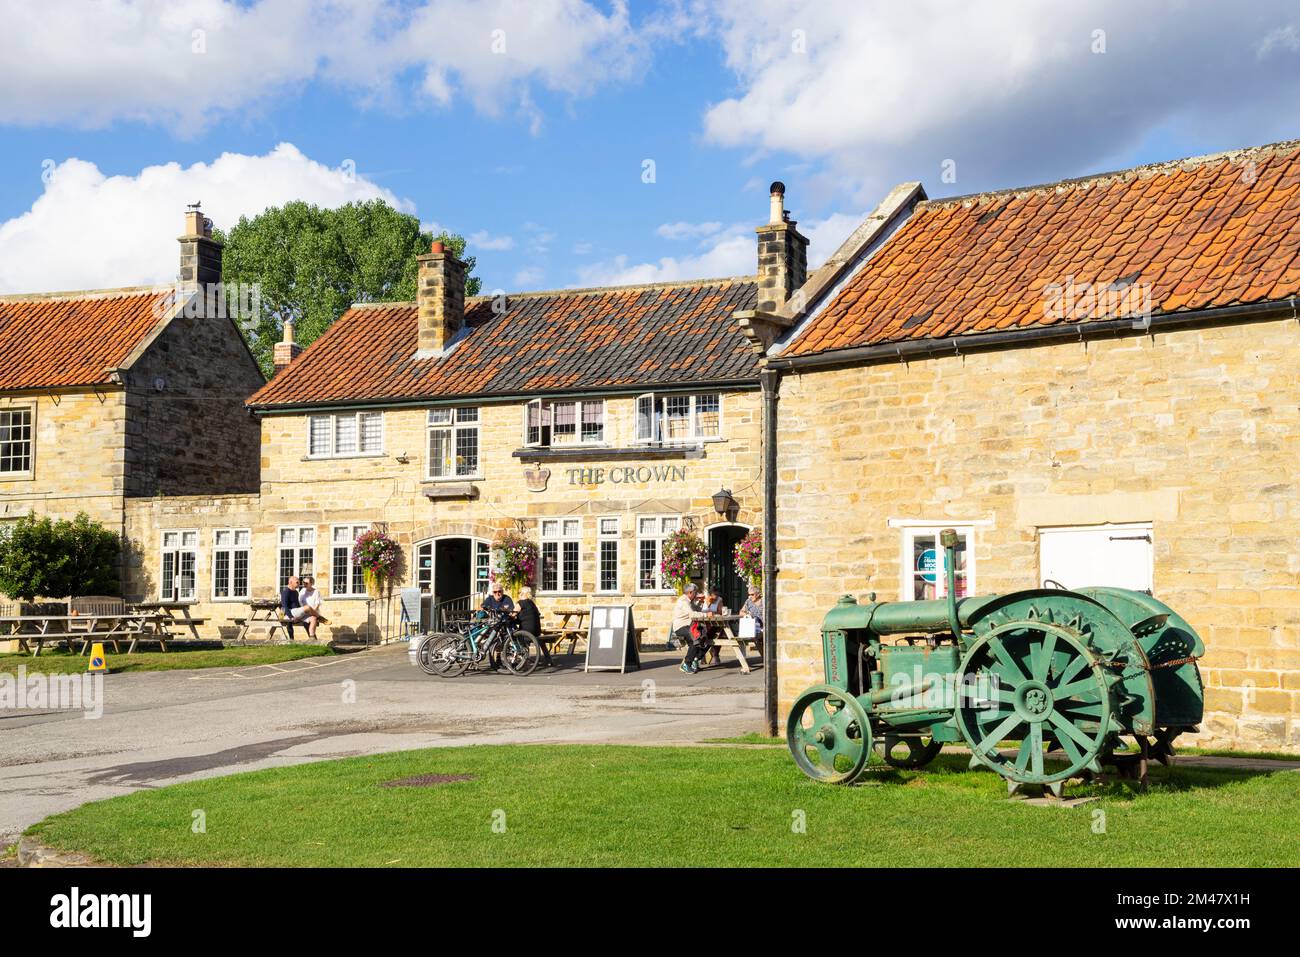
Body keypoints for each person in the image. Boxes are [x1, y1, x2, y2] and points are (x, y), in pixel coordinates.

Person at [673, 583, 708, 674]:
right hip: (681, 626)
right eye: (695, 593)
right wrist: (706, 615)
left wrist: (701, 603)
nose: (696, 594)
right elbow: (692, 614)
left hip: (689, 626)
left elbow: (695, 610)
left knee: (706, 636)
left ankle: (695, 660)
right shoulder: (683, 601)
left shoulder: (689, 601)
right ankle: (686, 664)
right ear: (690, 592)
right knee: (695, 639)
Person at [516, 586, 551, 667]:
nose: (519, 594)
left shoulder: (521, 603)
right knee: (537, 640)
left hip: (527, 632)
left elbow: (512, 614)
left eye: (519, 592)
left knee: (514, 636)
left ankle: (523, 661)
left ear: (522, 593)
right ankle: (548, 660)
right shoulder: (532, 603)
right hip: (536, 631)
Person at [298, 575, 326, 640]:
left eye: (306, 583)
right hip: (304, 612)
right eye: (303, 582)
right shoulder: (302, 591)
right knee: (306, 623)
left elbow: (317, 603)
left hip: (313, 613)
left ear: (311, 583)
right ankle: (313, 640)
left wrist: (311, 612)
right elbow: (299, 601)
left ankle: (312, 639)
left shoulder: (316, 592)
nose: (304, 584)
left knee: (313, 619)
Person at [280, 575, 302, 640]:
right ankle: (291, 639)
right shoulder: (286, 592)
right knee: (289, 622)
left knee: (308, 620)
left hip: (295, 612)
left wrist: (300, 613)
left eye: (299, 582)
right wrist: (291, 617)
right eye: (297, 582)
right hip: (286, 613)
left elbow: (297, 604)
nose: (299, 584)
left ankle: (312, 639)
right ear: (290, 582)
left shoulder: (296, 592)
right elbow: (284, 606)